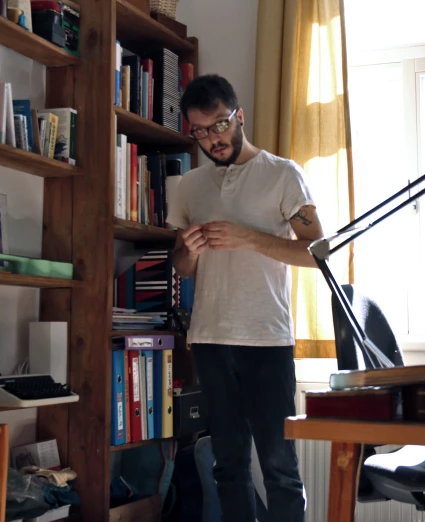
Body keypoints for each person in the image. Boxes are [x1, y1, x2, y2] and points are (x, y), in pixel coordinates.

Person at [167, 74, 323, 522]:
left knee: (280, 467)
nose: (211, 139)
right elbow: (180, 265)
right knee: (228, 466)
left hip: (267, 340)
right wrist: (188, 252)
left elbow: (319, 255)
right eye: (199, 131)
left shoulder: (283, 175)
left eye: (218, 125)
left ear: (239, 116)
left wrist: (250, 238)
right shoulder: (189, 186)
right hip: (211, 339)